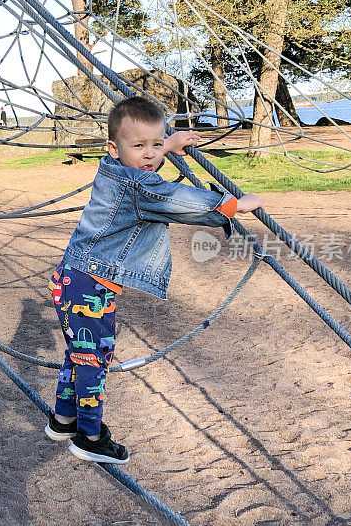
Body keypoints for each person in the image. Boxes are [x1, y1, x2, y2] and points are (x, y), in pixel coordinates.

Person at [44, 96, 264, 464]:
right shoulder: (137, 185)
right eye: (140, 146)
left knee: (79, 353)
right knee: (94, 361)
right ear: (114, 148)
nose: (150, 154)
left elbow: (147, 167)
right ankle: (90, 435)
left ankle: (63, 418)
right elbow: (175, 198)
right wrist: (234, 204)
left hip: (74, 278)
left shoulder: (114, 169)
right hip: (89, 286)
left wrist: (170, 145)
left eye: (156, 145)